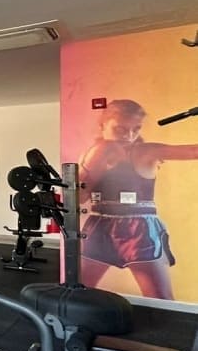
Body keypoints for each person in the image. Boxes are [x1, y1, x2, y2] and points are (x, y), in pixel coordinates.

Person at [79, 99, 198, 299]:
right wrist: (91, 164)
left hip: (139, 229)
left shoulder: (145, 150)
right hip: (99, 224)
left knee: (161, 300)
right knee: (77, 288)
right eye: (121, 129)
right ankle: (73, 327)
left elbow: (194, 152)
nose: (130, 135)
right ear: (103, 126)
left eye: (136, 129)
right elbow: (79, 198)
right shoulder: (94, 152)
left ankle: (166, 329)